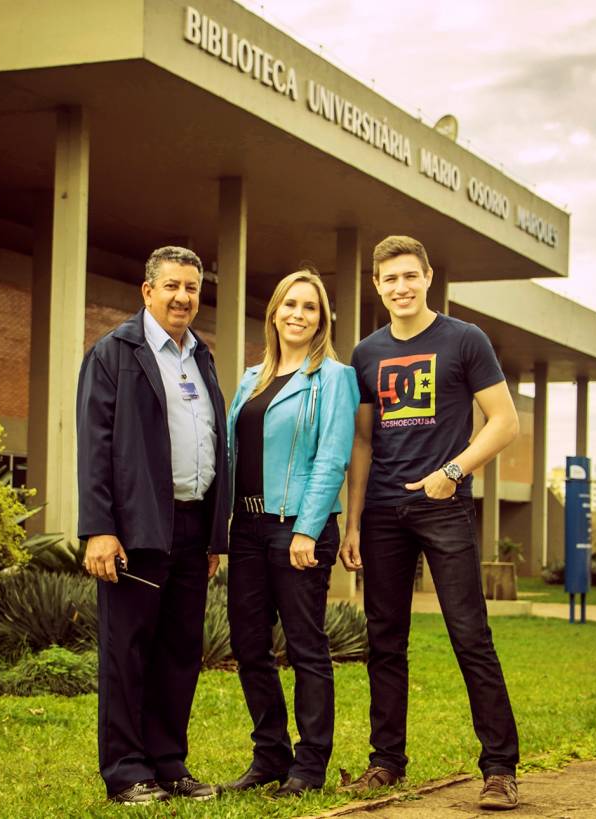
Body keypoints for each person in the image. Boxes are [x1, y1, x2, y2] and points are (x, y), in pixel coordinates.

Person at [340, 236, 521, 811]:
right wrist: (353, 521)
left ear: (428, 277)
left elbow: (505, 421)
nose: (401, 287)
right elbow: (363, 441)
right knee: (384, 641)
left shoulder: (465, 339)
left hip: (444, 506)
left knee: (470, 636)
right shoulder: (365, 353)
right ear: (377, 286)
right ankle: (385, 762)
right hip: (382, 513)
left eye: (410, 276)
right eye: (390, 278)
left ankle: (500, 769)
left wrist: (453, 471)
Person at [76, 246, 229, 805]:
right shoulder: (114, 353)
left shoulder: (201, 356)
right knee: (128, 653)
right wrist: (99, 528)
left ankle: (168, 763)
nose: (182, 297)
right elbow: (95, 445)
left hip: (192, 526)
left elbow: (214, 441)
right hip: (135, 529)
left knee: (179, 651)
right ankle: (125, 772)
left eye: (191, 287)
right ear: (147, 291)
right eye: (171, 286)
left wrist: (213, 535)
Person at [223, 267, 359, 797]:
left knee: (305, 647)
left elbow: (332, 457)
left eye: (310, 307)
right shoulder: (251, 378)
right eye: (290, 304)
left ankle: (310, 765)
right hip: (247, 528)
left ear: (321, 320)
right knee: (249, 645)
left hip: (298, 529)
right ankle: (270, 756)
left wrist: (306, 529)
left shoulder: (334, 378)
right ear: (274, 311)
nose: (298, 315)